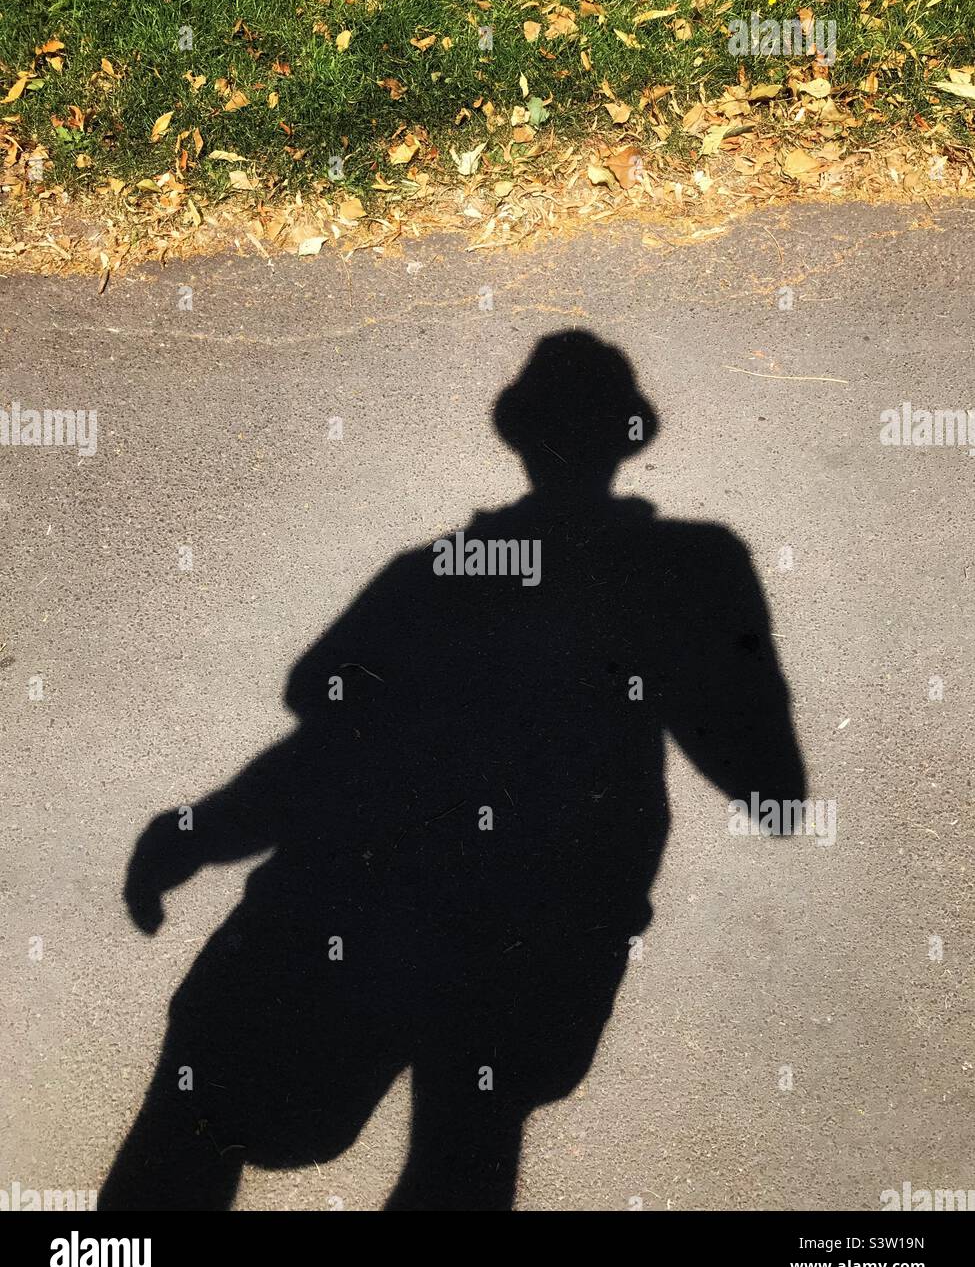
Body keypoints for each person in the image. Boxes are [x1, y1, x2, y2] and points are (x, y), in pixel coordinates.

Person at [101, 329, 805, 1211]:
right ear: (631, 437)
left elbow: (327, 745)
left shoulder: (434, 577)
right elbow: (769, 788)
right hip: (544, 923)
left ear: (514, 434)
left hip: (361, 894)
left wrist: (199, 832)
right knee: (467, 1139)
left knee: (197, 1108)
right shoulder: (690, 571)